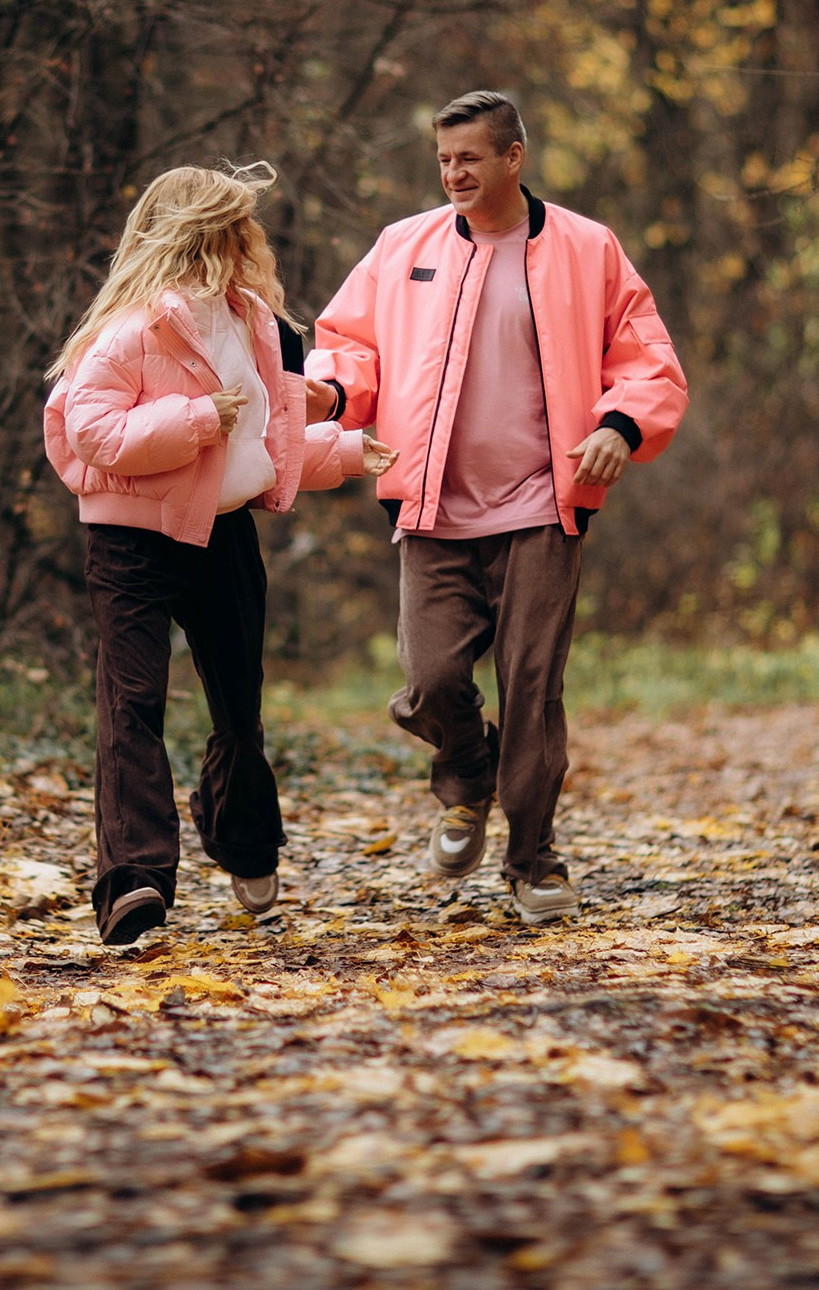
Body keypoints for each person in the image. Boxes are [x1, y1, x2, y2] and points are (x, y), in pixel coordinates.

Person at [307, 91, 687, 923]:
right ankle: (467, 774)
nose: (454, 174)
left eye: (470, 158)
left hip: (543, 508)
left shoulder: (588, 249)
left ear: (514, 158)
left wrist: (621, 426)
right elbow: (350, 348)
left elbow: (647, 355)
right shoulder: (402, 247)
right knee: (430, 679)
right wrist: (330, 393)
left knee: (531, 685)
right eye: (444, 161)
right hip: (430, 503)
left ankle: (532, 859)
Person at [45, 163, 396, 945]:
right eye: (242, 223)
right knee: (131, 703)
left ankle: (242, 840)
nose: (256, 237)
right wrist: (198, 416)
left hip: (222, 530)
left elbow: (254, 445)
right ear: (206, 233)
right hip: (129, 538)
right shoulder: (132, 330)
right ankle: (132, 881)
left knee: (239, 709)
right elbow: (89, 434)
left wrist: (337, 451)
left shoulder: (255, 325)